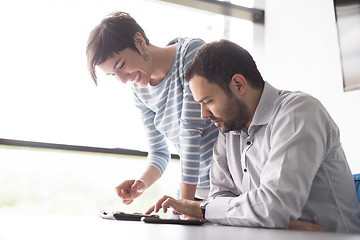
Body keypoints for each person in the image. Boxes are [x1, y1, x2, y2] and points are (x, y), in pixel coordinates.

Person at [147, 39, 360, 233]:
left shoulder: (299, 112)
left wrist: (200, 208)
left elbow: (274, 206)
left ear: (238, 84)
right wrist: (280, 221)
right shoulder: (229, 130)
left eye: (208, 101)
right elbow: (220, 197)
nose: (204, 114)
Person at [86, 12, 219, 216]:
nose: (122, 79)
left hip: (227, 184)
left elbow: (191, 133)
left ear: (139, 41)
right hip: (196, 187)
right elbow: (159, 152)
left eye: (121, 65)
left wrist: (186, 205)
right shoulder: (140, 91)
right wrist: (142, 183)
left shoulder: (191, 53)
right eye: (113, 75)